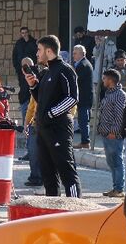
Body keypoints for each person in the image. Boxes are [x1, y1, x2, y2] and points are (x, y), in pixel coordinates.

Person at [25, 35, 81, 198]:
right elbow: (40, 100)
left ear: (49, 51)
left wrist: (51, 113)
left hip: (59, 129)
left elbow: (72, 98)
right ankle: (53, 212)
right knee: (48, 174)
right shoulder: (45, 73)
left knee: (66, 171)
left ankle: (75, 208)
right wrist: (33, 86)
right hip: (43, 130)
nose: (37, 54)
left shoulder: (65, 70)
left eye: (39, 50)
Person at [96, 69, 126, 198]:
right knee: (111, 162)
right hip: (106, 133)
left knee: (117, 162)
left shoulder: (119, 94)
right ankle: (115, 187)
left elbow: (119, 115)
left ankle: (119, 189)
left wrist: (113, 131)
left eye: (104, 79)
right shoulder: (108, 93)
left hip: (113, 135)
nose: (103, 81)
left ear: (110, 80)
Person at [12, 27, 37, 152]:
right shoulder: (18, 44)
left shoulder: (34, 43)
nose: (24, 35)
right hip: (22, 80)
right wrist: (19, 69)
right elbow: (14, 57)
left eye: (25, 33)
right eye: (22, 33)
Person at [21, 57, 43, 187]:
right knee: (32, 151)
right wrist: (26, 123)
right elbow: (31, 107)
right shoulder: (35, 89)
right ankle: (34, 176)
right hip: (34, 124)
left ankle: (44, 178)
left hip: (46, 124)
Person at [72, 44, 94, 150]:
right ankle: (84, 141)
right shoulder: (79, 64)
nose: (73, 55)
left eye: (75, 53)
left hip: (84, 97)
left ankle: (85, 142)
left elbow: (76, 80)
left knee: (83, 120)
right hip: (82, 97)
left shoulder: (84, 65)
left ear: (82, 53)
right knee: (82, 121)